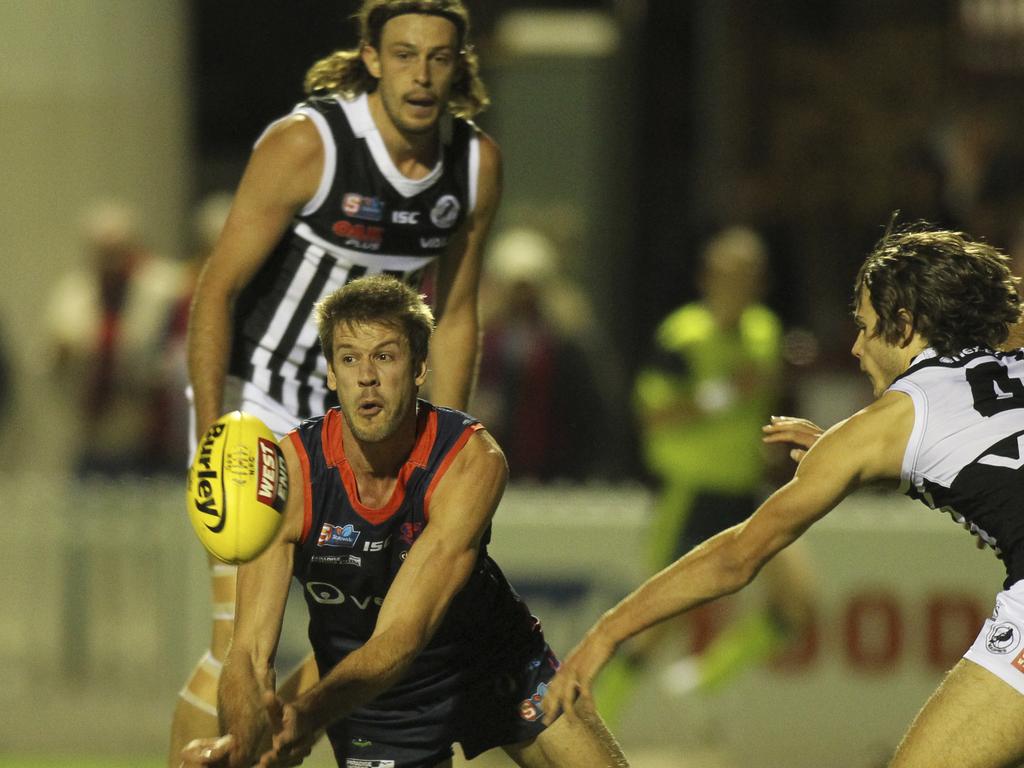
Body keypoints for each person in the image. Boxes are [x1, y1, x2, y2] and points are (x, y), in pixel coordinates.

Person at [544, 222, 1024, 766]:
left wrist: (607, 630)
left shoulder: (884, 422)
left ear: (906, 325)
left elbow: (734, 558)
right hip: (696, 487)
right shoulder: (1013, 344)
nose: (856, 346)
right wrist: (861, 458)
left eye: (866, 327)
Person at [170, 1, 503, 760]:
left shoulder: (476, 165)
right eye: (405, 54)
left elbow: (453, 315)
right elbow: (215, 289)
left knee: (363, 635)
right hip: (264, 408)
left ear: (460, 65)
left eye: (439, 57)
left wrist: (441, 452)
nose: (421, 75)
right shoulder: (307, 146)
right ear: (373, 58)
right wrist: (212, 437)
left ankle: (257, 750)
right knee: (238, 649)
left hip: (371, 427)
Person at [179, 276, 628, 768]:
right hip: (375, 702)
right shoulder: (291, 476)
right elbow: (247, 654)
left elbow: (402, 635)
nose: (366, 376)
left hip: (495, 664)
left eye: (385, 357)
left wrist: (308, 715)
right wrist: (243, 745)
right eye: (349, 359)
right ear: (331, 374)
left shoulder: (468, 461)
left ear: (419, 369)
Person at [596, 227, 815, 724]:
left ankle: (705, 679)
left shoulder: (766, 331)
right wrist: (723, 394)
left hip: (749, 492)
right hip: (691, 494)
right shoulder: (682, 336)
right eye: (730, 274)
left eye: (750, 275)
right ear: (707, 277)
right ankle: (588, 720)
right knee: (657, 623)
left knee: (798, 603)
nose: (740, 284)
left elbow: (765, 400)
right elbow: (654, 415)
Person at [46, 199, 186, 477]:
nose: (112, 262)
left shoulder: (164, 288)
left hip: (154, 436)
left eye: (118, 251)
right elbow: (54, 361)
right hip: (97, 434)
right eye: (104, 252)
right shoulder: (74, 295)